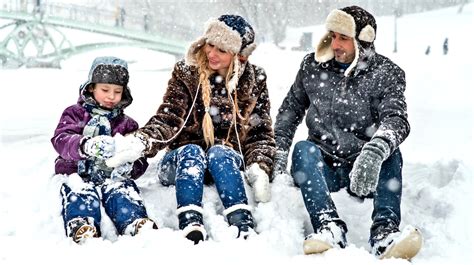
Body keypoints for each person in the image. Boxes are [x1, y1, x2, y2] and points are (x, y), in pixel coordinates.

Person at [106, 15, 275, 244]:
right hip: (181, 162)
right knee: (192, 151)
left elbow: (260, 131)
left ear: (239, 56)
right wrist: (143, 141)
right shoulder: (186, 72)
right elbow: (169, 117)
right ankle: (190, 220)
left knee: (220, 152)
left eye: (222, 50)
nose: (211, 54)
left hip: (224, 164)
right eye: (210, 44)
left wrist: (259, 166)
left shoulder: (255, 79)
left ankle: (241, 222)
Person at [272, 6, 422, 259]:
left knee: (391, 152)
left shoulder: (386, 74)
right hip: (323, 167)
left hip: (366, 170)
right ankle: (328, 226)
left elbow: (397, 119)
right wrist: (277, 153)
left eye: (344, 38)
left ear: (362, 42)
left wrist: (375, 151)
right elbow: (289, 112)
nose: (336, 44)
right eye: (332, 35)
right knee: (302, 149)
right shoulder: (312, 66)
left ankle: (385, 233)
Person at [51, 56, 157, 244]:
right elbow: (61, 139)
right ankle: (82, 223)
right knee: (80, 191)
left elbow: (139, 157)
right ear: (91, 87)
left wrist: (130, 167)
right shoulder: (74, 114)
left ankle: (134, 221)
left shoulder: (127, 124)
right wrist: (84, 145)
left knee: (122, 191)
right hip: (77, 172)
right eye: (105, 90)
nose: (111, 96)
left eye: (117, 91)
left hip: (112, 176)